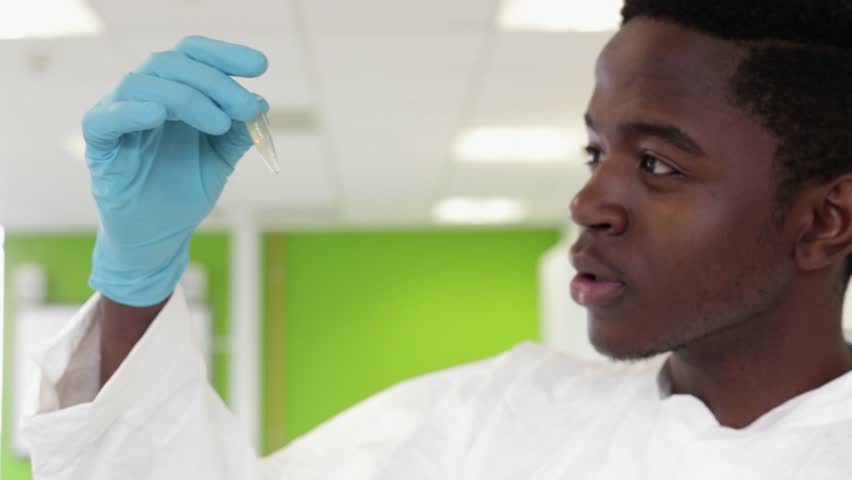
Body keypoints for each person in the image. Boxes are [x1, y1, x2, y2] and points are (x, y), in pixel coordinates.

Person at [20, 1, 852, 478]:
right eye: (595, 151)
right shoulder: (499, 418)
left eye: (660, 164)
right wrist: (136, 279)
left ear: (825, 220)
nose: (590, 200)